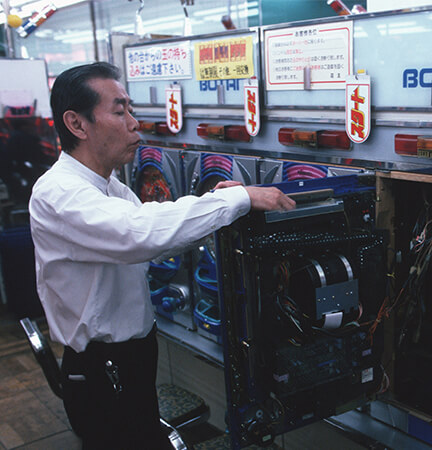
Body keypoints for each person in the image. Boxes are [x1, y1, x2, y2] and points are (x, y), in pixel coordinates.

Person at [29, 62, 295, 449]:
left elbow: (160, 240)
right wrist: (235, 198)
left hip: (130, 358)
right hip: (103, 367)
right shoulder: (61, 193)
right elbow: (140, 235)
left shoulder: (111, 188)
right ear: (77, 124)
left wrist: (221, 208)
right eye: (119, 111)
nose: (135, 123)